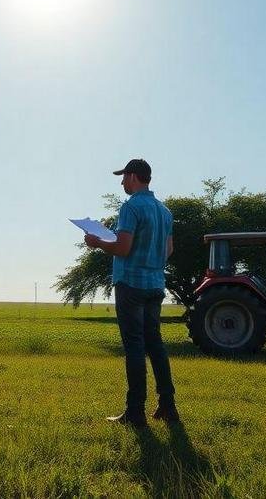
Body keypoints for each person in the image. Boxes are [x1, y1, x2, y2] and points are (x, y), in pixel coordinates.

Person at [84, 158, 178, 426]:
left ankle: (135, 412)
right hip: (155, 285)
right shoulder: (165, 211)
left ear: (134, 176)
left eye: (124, 177)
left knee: (135, 348)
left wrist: (97, 242)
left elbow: (123, 248)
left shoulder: (131, 206)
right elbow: (168, 250)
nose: (122, 182)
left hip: (131, 285)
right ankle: (168, 406)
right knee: (156, 346)